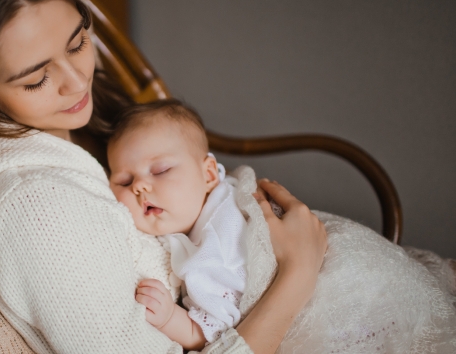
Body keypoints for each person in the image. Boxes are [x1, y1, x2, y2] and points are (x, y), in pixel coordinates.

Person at [0, 0, 327, 352]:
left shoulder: (85, 130)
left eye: (78, 43)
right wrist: (298, 273)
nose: (78, 83)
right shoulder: (36, 212)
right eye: (38, 79)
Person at [107, 100, 456, 352]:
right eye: (123, 181)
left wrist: (172, 321)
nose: (140, 187)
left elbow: (212, 332)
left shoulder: (214, 239)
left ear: (209, 173)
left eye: (160, 170)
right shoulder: (197, 223)